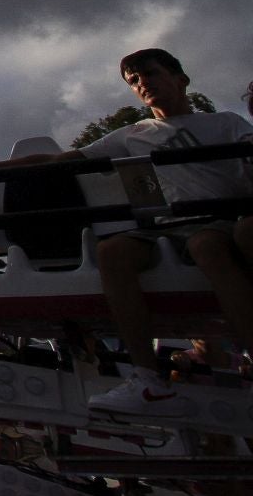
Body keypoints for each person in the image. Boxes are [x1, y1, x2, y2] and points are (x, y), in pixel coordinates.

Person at [59, 49, 253, 418]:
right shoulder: (133, 134)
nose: (142, 83)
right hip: (167, 229)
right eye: (134, 81)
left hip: (218, 218)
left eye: (150, 73)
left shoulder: (224, 123)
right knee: (112, 252)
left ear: (181, 79)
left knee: (207, 246)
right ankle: (147, 379)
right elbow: (64, 160)